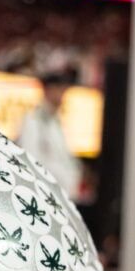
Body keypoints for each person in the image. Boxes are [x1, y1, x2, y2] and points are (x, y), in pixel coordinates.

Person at [17, 69, 82, 197]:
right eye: (59, 88)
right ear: (48, 90)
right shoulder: (33, 120)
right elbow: (31, 160)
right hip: (44, 194)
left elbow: (67, 161)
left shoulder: (57, 123)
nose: (62, 93)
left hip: (63, 196)